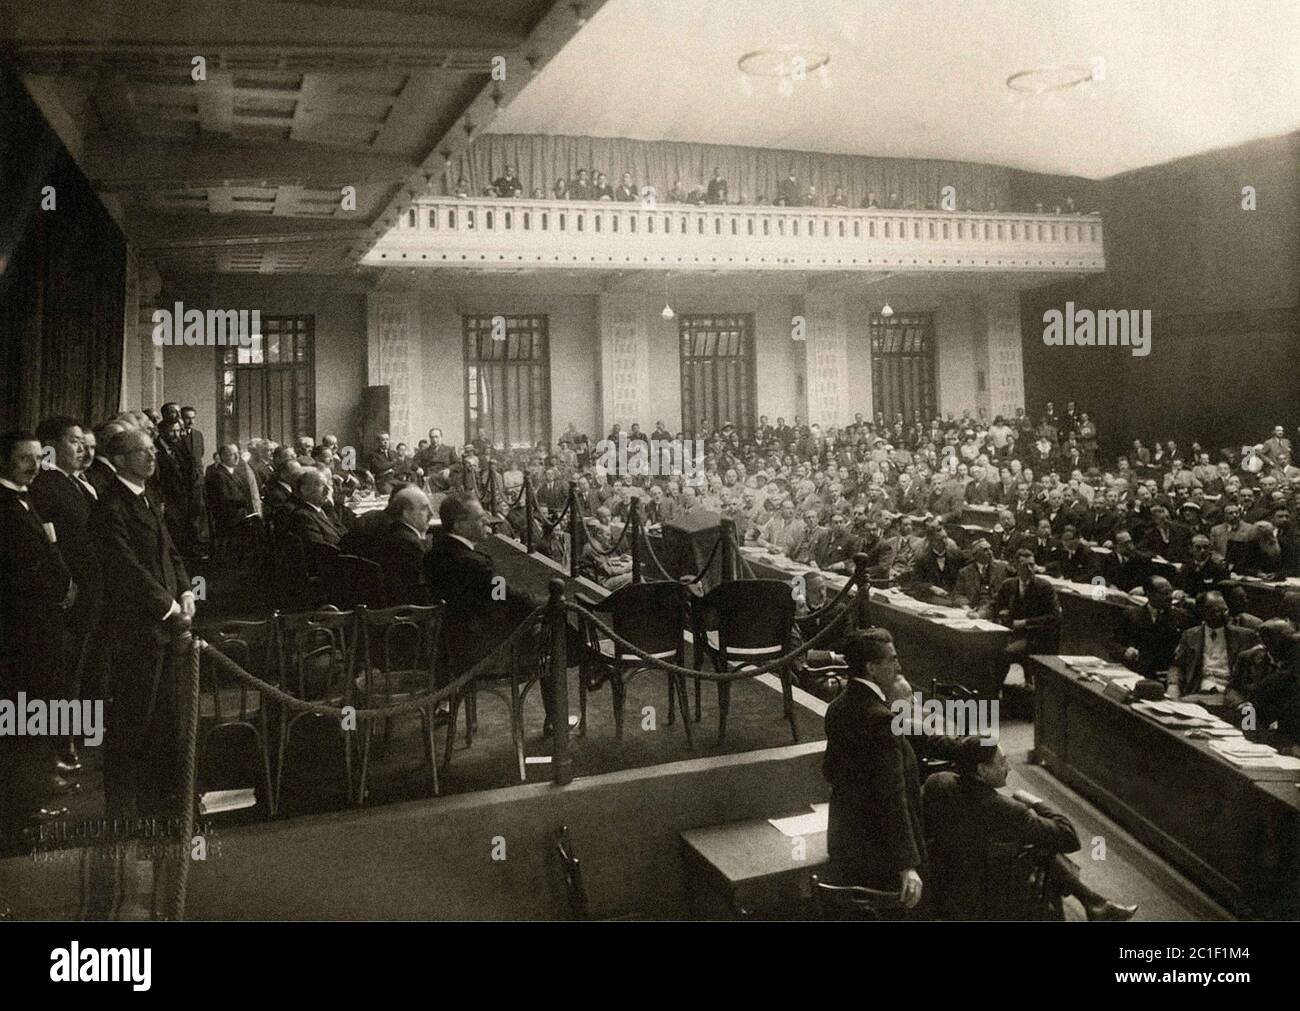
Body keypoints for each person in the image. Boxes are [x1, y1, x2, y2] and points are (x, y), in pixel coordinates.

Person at [94, 427, 195, 817]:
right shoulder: (111, 505)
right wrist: (169, 608)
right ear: (119, 460)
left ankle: (158, 799)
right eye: (142, 451)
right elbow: (125, 567)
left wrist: (186, 590)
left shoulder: (150, 496)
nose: (152, 457)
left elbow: (170, 552)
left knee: (164, 717)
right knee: (132, 720)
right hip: (137, 628)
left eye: (153, 450)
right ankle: (121, 810)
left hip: (166, 624)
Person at [922, 738, 1137, 920]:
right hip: (984, 897)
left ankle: (1093, 902)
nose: (1009, 768)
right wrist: (1035, 802)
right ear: (981, 770)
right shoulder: (1008, 810)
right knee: (1045, 849)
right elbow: (1068, 836)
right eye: (1002, 763)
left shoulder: (937, 782)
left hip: (939, 882)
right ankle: (1090, 903)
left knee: (1037, 844)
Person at [0, 430, 77, 831]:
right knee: (22, 723)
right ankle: (20, 812)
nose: (35, 466)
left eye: (38, 457)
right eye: (24, 459)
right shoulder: (5, 505)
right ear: (4, 461)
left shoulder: (26, 498)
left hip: (43, 628)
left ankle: (32, 798)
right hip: (22, 635)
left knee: (38, 717)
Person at [822, 629, 926, 915]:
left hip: (846, 842)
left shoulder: (837, 708)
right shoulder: (880, 719)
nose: (899, 666)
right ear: (871, 668)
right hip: (881, 853)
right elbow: (893, 797)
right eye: (892, 660)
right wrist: (907, 865)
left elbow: (830, 771)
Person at [988, 548, 1061, 690]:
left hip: (1037, 636)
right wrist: (979, 613)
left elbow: (1055, 617)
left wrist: (1025, 623)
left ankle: (998, 692)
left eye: (1032, 565)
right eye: (1024, 566)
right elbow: (995, 604)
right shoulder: (1009, 584)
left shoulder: (1044, 587)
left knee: (1004, 654)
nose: (1029, 569)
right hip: (1012, 633)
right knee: (989, 650)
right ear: (1015, 566)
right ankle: (994, 694)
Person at [1167, 591, 1260, 701]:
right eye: (1217, 611)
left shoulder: (1245, 636)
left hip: (1229, 693)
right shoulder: (1190, 635)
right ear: (1203, 612)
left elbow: (1254, 672)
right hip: (1197, 691)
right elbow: (1177, 665)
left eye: (1225, 610)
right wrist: (1173, 685)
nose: (1224, 615)